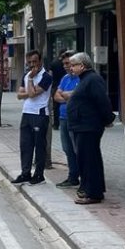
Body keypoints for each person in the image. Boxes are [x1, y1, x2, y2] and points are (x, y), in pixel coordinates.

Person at [66, 52, 115, 205]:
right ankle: (91, 189)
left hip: (88, 126)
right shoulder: (84, 80)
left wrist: (108, 119)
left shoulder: (92, 80)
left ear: (82, 66)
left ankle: (93, 193)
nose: (71, 68)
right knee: (86, 159)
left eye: (73, 65)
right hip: (82, 125)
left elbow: (102, 101)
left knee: (89, 160)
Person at [11, 50, 53, 185]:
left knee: (39, 145)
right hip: (27, 113)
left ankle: (39, 174)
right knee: (25, 145)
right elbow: (19, 95)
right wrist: (29, 90)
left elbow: (33, 94)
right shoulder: (26, 74)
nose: (32, 65)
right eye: (29, 62)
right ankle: (25, 173)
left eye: (35, 61)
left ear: (40, 61)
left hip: (39, 114)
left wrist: (30, 83)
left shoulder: (46, 76)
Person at [52, 51, 79, 189]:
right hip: (63, 118)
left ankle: (79, 175)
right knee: (67, 148)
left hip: (76, 119)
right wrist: (67, 97)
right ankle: (73, 175)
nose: (66, 66)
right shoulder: (65, 79)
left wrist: (67, 97)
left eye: (68, 63)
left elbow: (77, 98)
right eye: (64, 64)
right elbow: (56, 96)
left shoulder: (81, 79)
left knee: (77, 149)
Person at [49, 51, 68, 130]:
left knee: (55, 106)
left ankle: (56, 124)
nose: (65, 66)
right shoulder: (65, 76)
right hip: (63, 85)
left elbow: (50, 74)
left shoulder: (53, 63)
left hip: (55, 85)